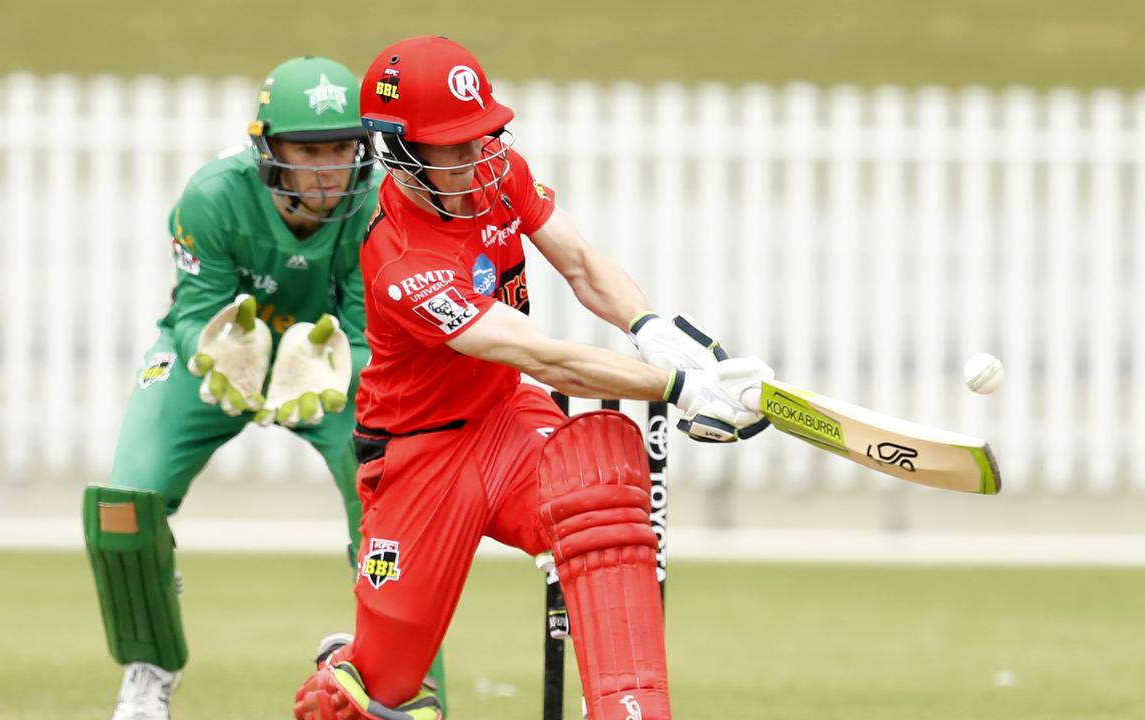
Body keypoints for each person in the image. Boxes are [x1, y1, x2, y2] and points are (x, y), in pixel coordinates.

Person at [292, 36, 773, 720]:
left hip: (505, 418)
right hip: (418, 459)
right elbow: (540, 355)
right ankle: (355, 666)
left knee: (599, 483)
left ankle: (628, 709)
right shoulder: (402, 260)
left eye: (483, 134)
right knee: (369, 702)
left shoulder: (495, 171)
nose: (477, 156)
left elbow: (578, 261)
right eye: (453, 145)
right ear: (398, 149)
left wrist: (648, 326)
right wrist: (677, 387)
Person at [81, 55, 448, 720]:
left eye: (343, 148)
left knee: (399, 506)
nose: (330, 169)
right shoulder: (213, 195)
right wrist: (221, 352)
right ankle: (150, 667)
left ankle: (403, 685)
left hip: (328, 370)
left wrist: (335, 362)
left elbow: (375, 335)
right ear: (267, 148)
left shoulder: (380, 206)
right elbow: (195, 311)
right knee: (125, 504)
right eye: (309, 150)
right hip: (220, 361)